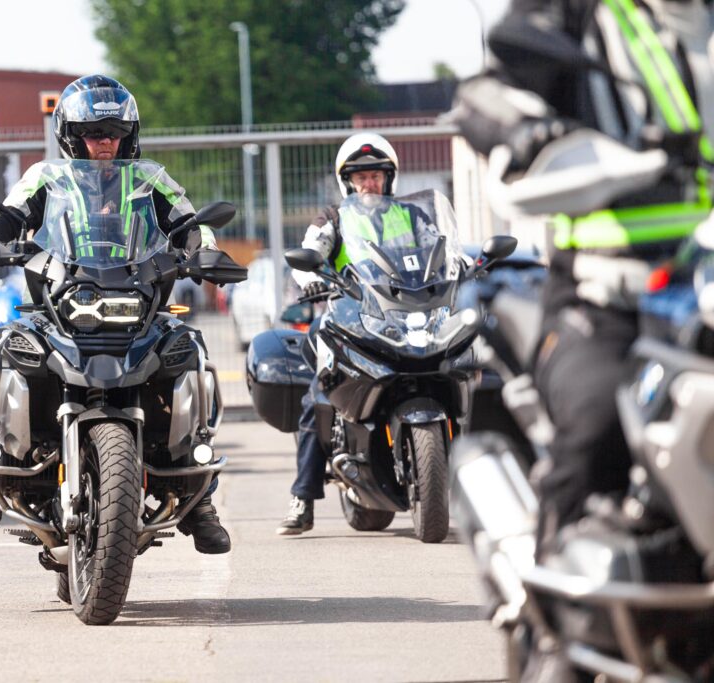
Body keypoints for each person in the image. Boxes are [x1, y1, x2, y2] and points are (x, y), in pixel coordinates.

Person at [450, 0, 714, 554]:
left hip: (704, 293)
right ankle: (556, 591)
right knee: (599, 428)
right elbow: (483, 94)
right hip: (607, 295)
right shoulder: (581, 13)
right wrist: (524, 128)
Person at [0, 75, 231, 555]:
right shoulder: (44, 177)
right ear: (71, 136)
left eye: (115, 132)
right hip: (59, 301)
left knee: (186, 349)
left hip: (139, 299)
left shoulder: (150, 178)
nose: (106, 142)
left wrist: (207, 254)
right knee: (7, 344)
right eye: (94, 133)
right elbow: (5, 219)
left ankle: (200, 498)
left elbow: (189, 225)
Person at [277, 133, 436, 535]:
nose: (369, 184)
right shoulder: (333, 218)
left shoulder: (414, 217)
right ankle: (303, 497)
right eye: (361, 177)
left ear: (389, 178)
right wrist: (309, 279)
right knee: (319, 393)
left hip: (408, 313)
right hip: (349, 313)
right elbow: (307, 254)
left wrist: (462, 269)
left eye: (376, 176)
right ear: (348, 181)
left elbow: (442, 251)